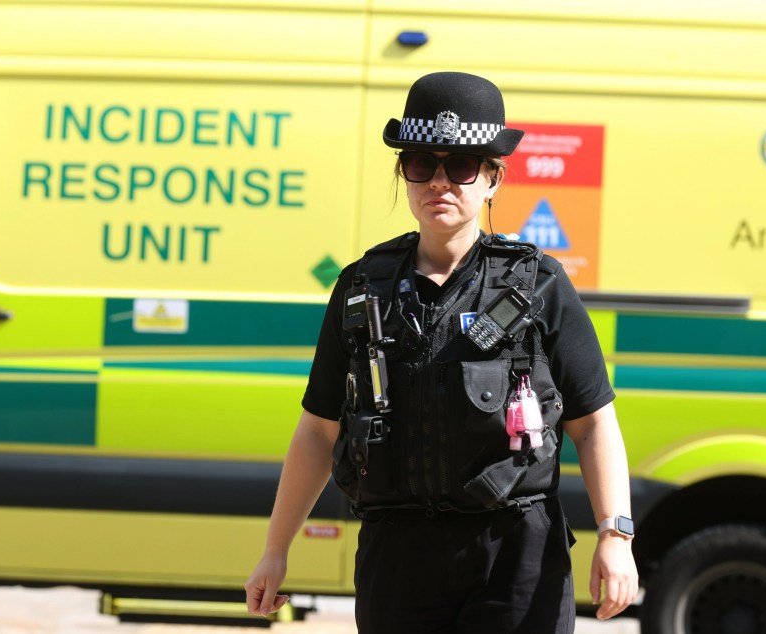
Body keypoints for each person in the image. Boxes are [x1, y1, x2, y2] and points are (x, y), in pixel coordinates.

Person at [245, 71, 638, 633]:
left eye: (461, 165)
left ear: (493, 179)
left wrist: (615, 535)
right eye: (420, 163)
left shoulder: (539, 285)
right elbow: (317, 430)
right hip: (398, 558)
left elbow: (594, 424)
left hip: (515, 557)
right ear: (403, 173)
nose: (439, 182)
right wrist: (276, 549)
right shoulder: (362, 288)